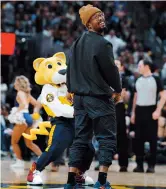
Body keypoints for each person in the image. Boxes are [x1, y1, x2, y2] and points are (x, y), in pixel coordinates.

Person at [66, 4, 121, 189]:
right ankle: (102, 182)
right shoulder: (102, 43)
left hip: (80, 99)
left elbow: (69, 69)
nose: (102, 18)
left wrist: (70, 88)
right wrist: (118, 88)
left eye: (102, 15)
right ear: (88, 23)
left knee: (80, 140)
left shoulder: (75, 44)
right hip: (98, 97)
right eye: (97, 16)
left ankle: (70, 181)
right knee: (107, 138)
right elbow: (111, 71)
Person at [131, 59, 166, 173]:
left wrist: (158, 110)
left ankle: (151, 165)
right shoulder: (138, 79)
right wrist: (133, 112)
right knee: (138, 139)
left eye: (140, 65)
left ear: (146, 66)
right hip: (139, 110)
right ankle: (139, 165)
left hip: (151, 110)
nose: (138, 67)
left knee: (152, 139)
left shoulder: (156, 79)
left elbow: (164, 96)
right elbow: (135, 97)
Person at [8, 75, 42, 168]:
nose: (14, 84)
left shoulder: (20, 93)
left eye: (15, 82)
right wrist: (34, 113)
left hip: (22, 119)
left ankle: (19, 162)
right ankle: (44, 159)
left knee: (14, 142)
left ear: (19, 84)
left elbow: (23, 104)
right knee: (29, 143)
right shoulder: (28, 94)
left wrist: (16, 112)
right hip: (28, 118)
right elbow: (37, 104)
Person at [115, 60, 130, 172]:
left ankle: (123, 164)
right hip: (107, 108)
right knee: (105, 135)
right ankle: (103, 161)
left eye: (117, 64)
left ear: (121, 67)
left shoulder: (123, 79)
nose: (115, 66)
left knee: (122, 136)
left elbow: (122, 96)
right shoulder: (105, 77)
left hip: (119, 108)